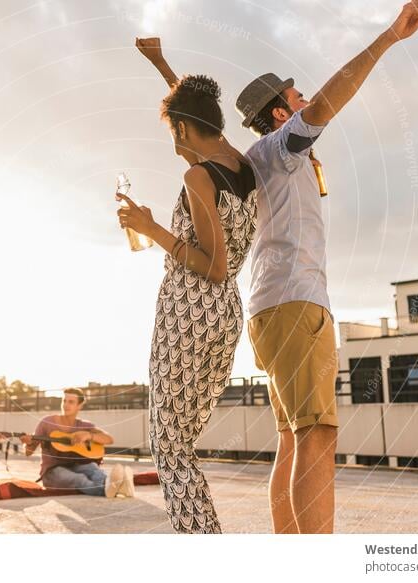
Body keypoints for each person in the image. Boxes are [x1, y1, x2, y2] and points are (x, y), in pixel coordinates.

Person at [135, 0, 418, 534]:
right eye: (294, 98)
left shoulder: (249, 157)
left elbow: (200, 121)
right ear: (282, 114)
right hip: (298, 304)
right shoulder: (283, 148)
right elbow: (331, 97)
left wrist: (163, 67)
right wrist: (391, 35)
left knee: (293, 437)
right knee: (317, 435)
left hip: (266, 310)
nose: (303, 101)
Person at [116, 73, 259, 533]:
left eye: (172, 132)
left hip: (190, 311)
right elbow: (200, 115)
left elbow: (211, 265)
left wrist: (150, 226)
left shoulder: (197, 176)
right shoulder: (240, 163)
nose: (172, 144)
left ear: (180, 127)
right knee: (180, 439)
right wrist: (162, 68)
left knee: (168, 441)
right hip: (226, 312)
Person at [20, 388, 134, 498]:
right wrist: (29, 443)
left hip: (77, 466)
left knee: (92, 468)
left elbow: (109, 439)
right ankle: (114, 488)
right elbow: (28, 453)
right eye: (64, 401)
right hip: (52, 472)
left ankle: (116, 487)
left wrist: (89, 435)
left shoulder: (84, 425)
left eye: (71, 402)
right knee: (79, 479)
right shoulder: (47, 422)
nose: (65, 405)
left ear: (79, 405)